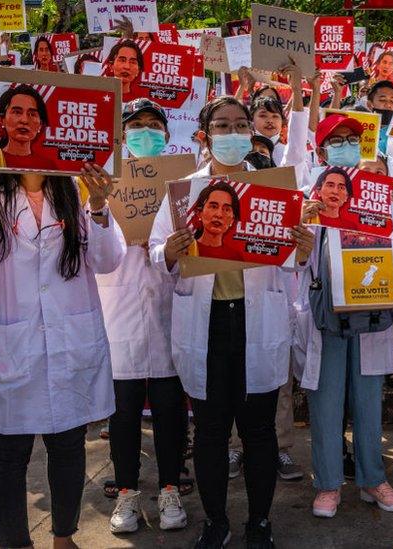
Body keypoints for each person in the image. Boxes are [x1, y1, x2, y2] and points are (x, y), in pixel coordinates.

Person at [149, 64, 315, 549]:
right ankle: (216, 521)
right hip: (207, 327)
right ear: (204, 136)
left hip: (257, 321)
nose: (234, 133)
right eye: (223, 126)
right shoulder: (183, 193)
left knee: (259, 429)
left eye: (241, 125)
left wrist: (301, 248)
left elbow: (289, 260)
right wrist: (172, 253)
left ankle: (259, 522)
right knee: (211, 431)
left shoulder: (273, 186)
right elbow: (159, 251)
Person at [0, 127, 124, 549]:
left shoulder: (75, 195)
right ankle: (14, 542)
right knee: (10, 454)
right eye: (18, 116)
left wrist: (100, 204)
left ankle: (63, 537)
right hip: (13, 346)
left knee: (67, 447)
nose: (26, 126)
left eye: (36, 118)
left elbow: (107, 259)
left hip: (68, 342)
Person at [290, 109, 393, 520]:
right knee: (325, 402)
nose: (343, 147)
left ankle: (373, 477)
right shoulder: (306, 196)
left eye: (351, 139)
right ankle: (326, 484)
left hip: (370, 314)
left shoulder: (378, 192)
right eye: (335, 139)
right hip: (326, 319)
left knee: (369, 400)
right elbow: (292, 263)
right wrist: (302, 233)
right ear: (321, 149)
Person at [101, 99, 189, 535]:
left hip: (169, 307)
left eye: (155, 126)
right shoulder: (101, 182)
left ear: (168, 136)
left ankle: (171, 488)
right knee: (124, 410)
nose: (146, 133)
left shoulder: (181, 184)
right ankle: (127, 493)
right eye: (137, 126)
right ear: (121, 136)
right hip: (117, 310)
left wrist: (165, 252)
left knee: (172, 407)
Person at [0, 84, 58, 171]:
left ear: (40, 124)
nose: (24, 120)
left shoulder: (48, 166)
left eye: (32, 114)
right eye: (17, 112)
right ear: (2, 120)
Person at [189, 181, 241, 258]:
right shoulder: (187, 250)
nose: (219, 214)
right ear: (199, 212)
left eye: (226, 209)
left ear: (232, 219)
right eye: (213, 206)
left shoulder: (235, 257)